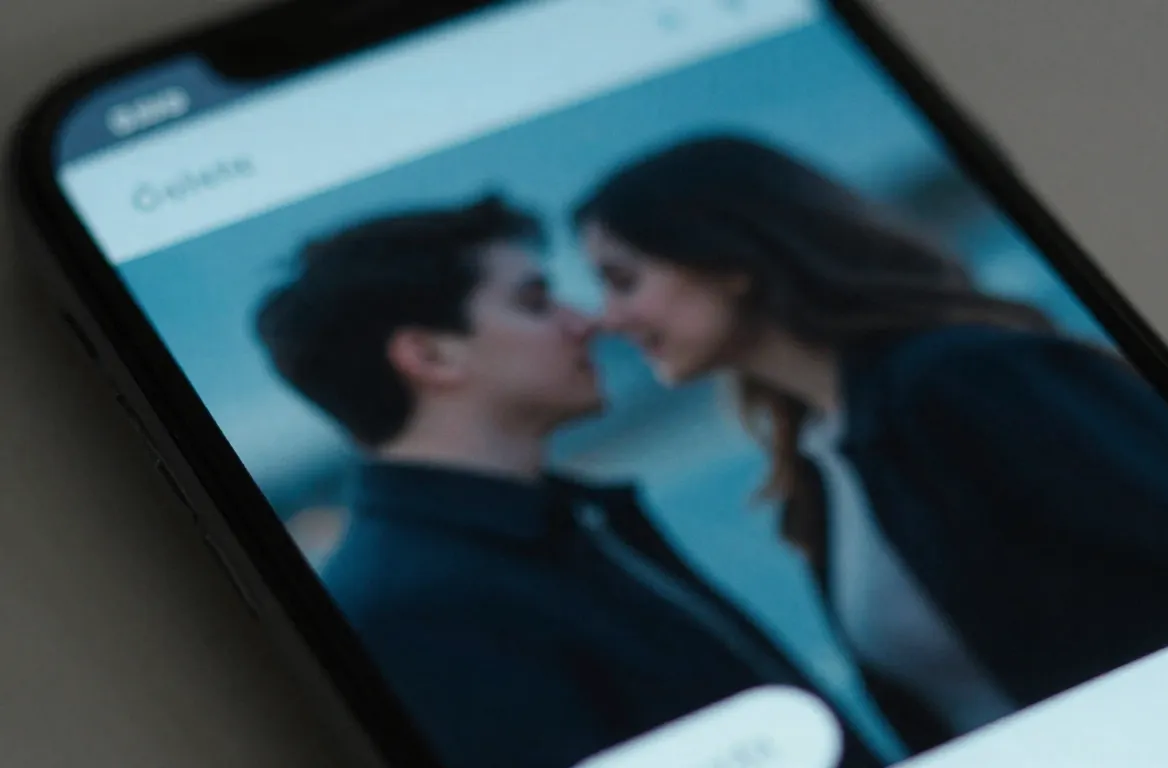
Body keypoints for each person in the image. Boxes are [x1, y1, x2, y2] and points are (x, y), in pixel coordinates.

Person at [573, 135, 1168, 749]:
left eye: (622, 279)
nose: (606, 317)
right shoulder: (823, 464)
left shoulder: (967, 379)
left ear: (727, 261)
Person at [254, 197, 888, 768]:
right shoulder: (411, 607)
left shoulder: (556, 524)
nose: (587, 323)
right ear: (431, 356)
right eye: (535, 303)